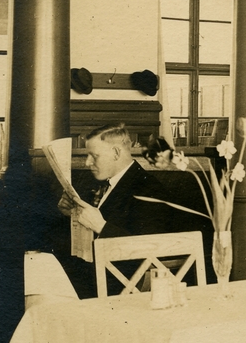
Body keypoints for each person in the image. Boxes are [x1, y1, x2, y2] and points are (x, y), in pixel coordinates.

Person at [57, 122, 181, 295]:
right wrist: (71, 214)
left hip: (122, 284)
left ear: (116, 153)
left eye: (94, 156)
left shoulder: (149, 188)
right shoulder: (105, 180)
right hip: (97, 273)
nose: (87, 162)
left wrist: (101, 226)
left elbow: (149, 248)